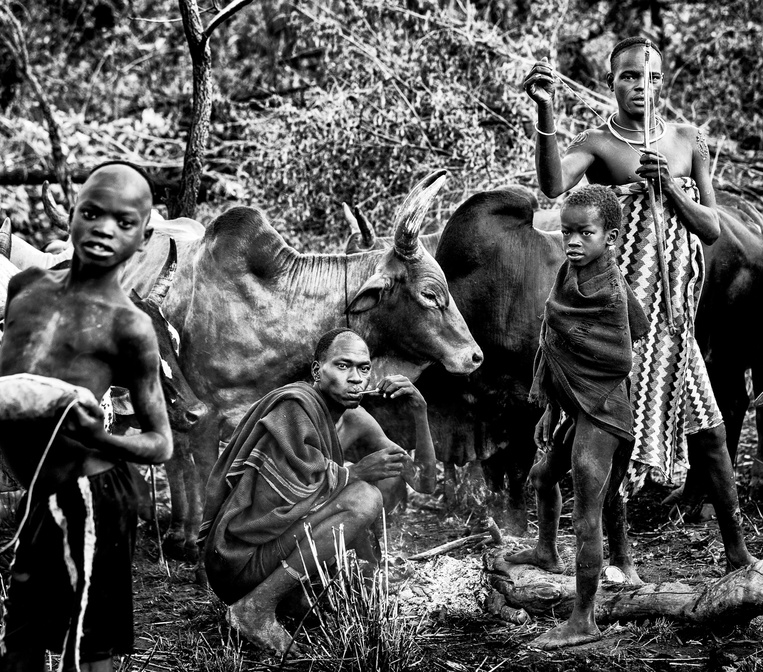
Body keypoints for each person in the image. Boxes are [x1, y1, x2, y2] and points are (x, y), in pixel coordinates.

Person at [522, 38, 754, 571]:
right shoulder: (601, 144)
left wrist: (671, 188)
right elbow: (554, 185)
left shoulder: (685, 140)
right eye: (629, 78)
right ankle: (621, 559)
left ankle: (738, 551)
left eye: (650, 79)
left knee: (712, 433)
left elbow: (713, 228)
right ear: (612, 84)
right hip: (618, 321)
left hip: (673, 321)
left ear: (661, 84)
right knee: (612, 441)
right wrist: (545, 110)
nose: (641, 88)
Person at [0, 162, 173, 672]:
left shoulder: (130, 326)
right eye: (92, 213)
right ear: (71, 214)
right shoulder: (25, 289)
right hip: (35, 493)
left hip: (92, 497)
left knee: (88, 648)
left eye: (123, 222)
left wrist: (104, 440)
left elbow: (160, 442)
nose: (103, 229)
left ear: (142, 238)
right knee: (20, 642)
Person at [198, 327, 436, 654]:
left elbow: (424, 483)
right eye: (343, 366)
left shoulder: (357, 419)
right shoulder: (294, 406)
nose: (355, 378)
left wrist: (419, 410)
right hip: (238, 560)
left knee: (375, 484)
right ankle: (255, 609)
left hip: (270, 556)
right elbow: (266, 513)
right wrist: (354, 473)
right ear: (316, 370)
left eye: (363, 369)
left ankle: (299, 594)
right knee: (364, 497)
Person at [506, 186, 649, 649]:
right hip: (575, 404)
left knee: (588, 516)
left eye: (584, 233)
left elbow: (621, 358)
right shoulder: (573, 272)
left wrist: (582, 387)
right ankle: (547, 553)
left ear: (610, 237)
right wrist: (552, 403)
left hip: (604, 410)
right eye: (567, 231)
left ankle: (583, 620)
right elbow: (560, 338)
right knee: (542, 477)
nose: (572, 240)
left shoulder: (607, 287)